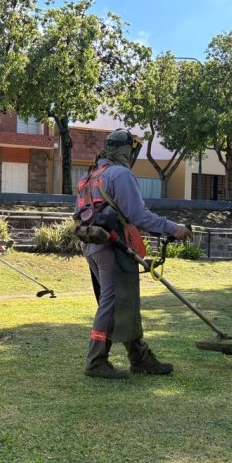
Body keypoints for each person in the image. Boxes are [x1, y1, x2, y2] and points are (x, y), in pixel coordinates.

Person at [74, 130, 191, 379]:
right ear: (126, 150)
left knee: (123, 301)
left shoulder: (90, 176)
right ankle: (96, 361)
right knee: (112, 303)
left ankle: (140, 357)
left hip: (93, 247)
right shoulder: (121, 174)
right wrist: (174, 229)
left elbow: (80, 216)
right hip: (113, 248)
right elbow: (139, 216)